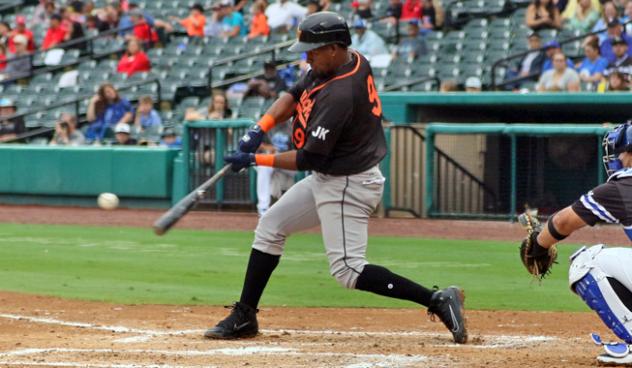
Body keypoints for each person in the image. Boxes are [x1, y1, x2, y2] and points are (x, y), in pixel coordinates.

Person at [207, 11, 468, 344]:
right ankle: (245, 316)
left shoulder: (341, 94)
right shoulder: (345, 60)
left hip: (348, 183)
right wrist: (260, 128)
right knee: (271, 226)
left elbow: (309, 157)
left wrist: (255, 158)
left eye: (312, 49)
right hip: (330, 177)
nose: (306, 56)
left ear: (333, 47)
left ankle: (436, 299)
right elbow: (295, 92)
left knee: (348, 269)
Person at [521, 122, 632, 365]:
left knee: (586, 262)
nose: (618, 156)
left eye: (622, 150)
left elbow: (562, 222)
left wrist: (538, 245)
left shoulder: (624, 186)